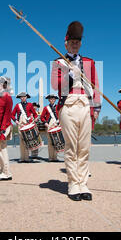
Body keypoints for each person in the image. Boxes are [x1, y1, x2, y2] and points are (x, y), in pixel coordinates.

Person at [51, 21, 101, 201]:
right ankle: (73, 184)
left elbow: (96, 85)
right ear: (65, 43)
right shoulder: (58, 62)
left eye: (77, 41)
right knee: (72, 147)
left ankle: (83, 183)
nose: (75, 44)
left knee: (84, 147)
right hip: (68, 106)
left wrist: (97, 106)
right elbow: (55, 85)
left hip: (86, 106)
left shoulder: (89, 62)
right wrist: (68, 74)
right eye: (72, 41)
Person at [11, 92, 38, 162]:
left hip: (28, 124)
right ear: (20, 98)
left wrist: (35, 119)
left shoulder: (30, 105)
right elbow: (12, 115)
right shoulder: (17, 105)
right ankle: (22, 157)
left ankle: (27, 157)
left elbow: (35, 114)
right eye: (21, 97)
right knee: (21, 141)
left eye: (24, 97)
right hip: (20, 124)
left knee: (27, 141)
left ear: (26, 97)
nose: (23, 98)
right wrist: (16, 121)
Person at [40, 94, 61, 162]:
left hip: (56, 124)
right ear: (49, 100)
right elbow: (42, 117)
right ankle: (50, 157)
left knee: (56, 141)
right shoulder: (46, 108)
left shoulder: (58, 107)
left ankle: (55, 157)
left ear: (55, 100)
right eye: (51, 99)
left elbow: (60, 115)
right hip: (49, 125)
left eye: (53, 99)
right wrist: (45, 123)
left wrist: (60, 123)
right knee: (50, 142)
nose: (52, 100)